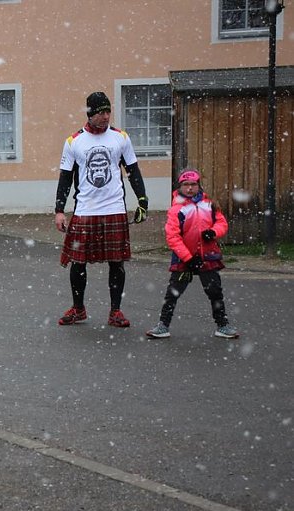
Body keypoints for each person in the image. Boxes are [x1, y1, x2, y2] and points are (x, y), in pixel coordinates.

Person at [54, 91, 149, 327]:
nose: (106, 116)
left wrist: (143, 201)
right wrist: (59, 210)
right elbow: (65, 178)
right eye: (100, 113)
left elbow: (133, 171)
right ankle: (78, 308)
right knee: (78, 262)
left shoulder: (121, 138)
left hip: (114, 207)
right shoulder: (73, 141)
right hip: (85, 210)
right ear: (90, 114)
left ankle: (115, 311)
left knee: (117, 262)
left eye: (108, 112)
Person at [146, 169, 239, 339]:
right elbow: (172, 237)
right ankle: (163, 326)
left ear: (199, 185)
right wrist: (188, 258)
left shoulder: (209, 204)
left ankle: (223, 325)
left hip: (208, 257)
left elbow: (222, 223)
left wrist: (213, 232)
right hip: (184, 260)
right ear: (180, 187)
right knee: (173, 292)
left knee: (214, 292)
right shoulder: (176, 209)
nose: (189, 188)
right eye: (185, 185)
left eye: (193, 184)